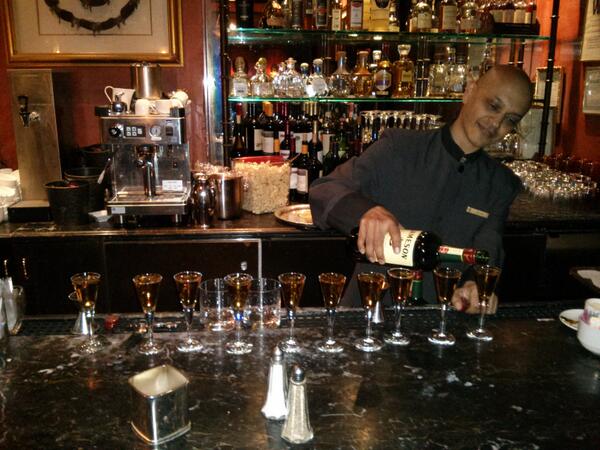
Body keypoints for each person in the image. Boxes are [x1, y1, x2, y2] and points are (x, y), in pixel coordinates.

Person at [309, 65, 533, 312]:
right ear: (469, 91)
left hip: (439, 321)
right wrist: (366, 211)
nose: (496, 123)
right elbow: (324, 189)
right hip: (368, 312)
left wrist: (474, 284)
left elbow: (489, 248)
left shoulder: (501, 184)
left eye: (510, 119)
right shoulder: (398, 147)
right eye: (493, 106)